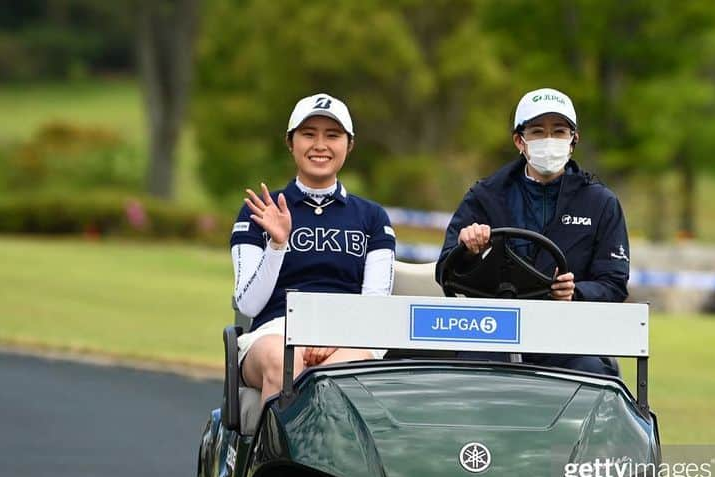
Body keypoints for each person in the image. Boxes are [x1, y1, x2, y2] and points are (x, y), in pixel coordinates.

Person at [435, 88, 629, 377]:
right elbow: (446, 270)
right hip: (492, 332)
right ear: (520, 141)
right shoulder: (485, 196)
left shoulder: (601, 203)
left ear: (573, 139)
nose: (549, 140)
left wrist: (575, 292)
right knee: (471, 371)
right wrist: (467, 250)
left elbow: (614, 282)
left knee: (592, 372)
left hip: (567, 337)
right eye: (538, 131)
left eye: (559, 131)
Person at [231, 93, 396, 398]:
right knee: (284, 363)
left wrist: (336, 333)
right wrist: (277, 245)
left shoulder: (373, 217)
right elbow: (248, 305)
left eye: (332, 135)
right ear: (290, 142)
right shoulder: (260, 210)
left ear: (349, 145)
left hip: (350, 335)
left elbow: (376, 306)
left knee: (337, 376)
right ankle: (280, 448)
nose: (320, 145)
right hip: (275, 331)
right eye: (308, 134)